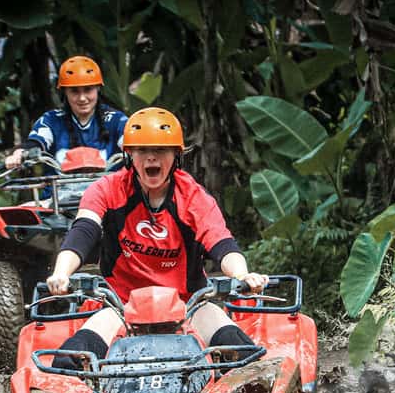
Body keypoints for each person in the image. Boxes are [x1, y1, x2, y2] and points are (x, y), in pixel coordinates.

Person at [46, 107, 268, 369]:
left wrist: (242, 276)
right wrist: (61, 273)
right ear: (129, 155)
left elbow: (222, 244)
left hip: (189, 305)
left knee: (243, 355)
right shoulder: (106, 189)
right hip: (121, 305)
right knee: (68, 360)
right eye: (142, 150)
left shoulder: (194, 197)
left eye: (160, 150)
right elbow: (83, 231)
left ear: (176, 155)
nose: (151, 157)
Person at [4, 55, 128, 171]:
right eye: (74, 91)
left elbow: (130, 142)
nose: (82, 98)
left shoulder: (116, 120)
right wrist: (19, 153)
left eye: (88, 90)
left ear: (98, 89)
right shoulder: (51, 120)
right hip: (58, 191)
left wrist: (132, 150)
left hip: (106, 191)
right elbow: (36, 142)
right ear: (65, 92)